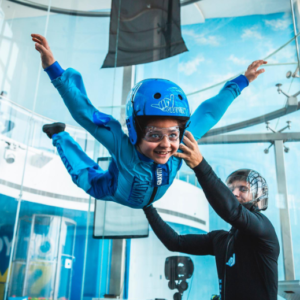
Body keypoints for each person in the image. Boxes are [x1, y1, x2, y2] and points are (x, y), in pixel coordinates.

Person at [32, 33, 266, 209]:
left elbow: (209, 113)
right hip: (113, 191)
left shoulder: (183, 144)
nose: (166, 144)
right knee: (85, 177)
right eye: (155, 135)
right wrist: (53, 70)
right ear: (135, 132)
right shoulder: (123, 147)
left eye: (172, 135)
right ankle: (58, 135)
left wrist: (243, 80)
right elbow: (84, 113)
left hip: (144, 200)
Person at [143, 131, 280, 299]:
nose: (235, 193)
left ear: (258, 196)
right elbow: (174, 242)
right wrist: (147, 205)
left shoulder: (263, 229)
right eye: (231, 189)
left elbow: (232, 212)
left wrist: (200, 165)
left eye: (243, 189)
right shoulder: (222, 240)